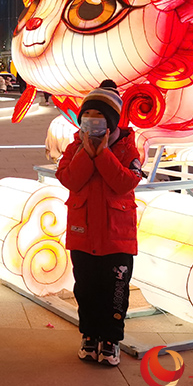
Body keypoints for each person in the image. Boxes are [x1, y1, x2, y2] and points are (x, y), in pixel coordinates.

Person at [56, 80, 141, 367]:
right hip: (83, 236)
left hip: (117, 239)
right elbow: (69, 179)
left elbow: (124, 183)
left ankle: (111, 341)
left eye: (99, 119)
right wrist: (85, 152)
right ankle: (89, 336)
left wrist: (102, 153)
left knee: (116, 293)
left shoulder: (128, 148)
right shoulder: (73, 148)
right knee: (86, 290)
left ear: (112, 121)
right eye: (87, 119)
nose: (92, 125)